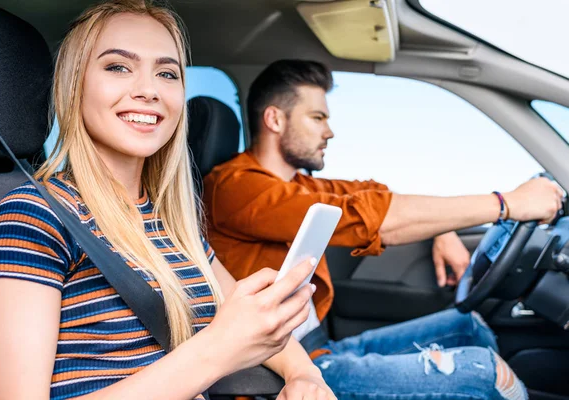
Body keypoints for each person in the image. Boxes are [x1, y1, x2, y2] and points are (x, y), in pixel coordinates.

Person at [0, 8, 336, 400]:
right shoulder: (29, 222)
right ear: (73, 85)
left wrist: (305, 375)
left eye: (167, 73)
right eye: (118, 67)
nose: (150, 90)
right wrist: (219, 350)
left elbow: (254, 320)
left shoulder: (168, 223)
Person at [203, 59, 564, 400]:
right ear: (275, 120)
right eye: (317, 117)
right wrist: (507, 203)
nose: (329, 131)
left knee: (469, 325)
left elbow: (377, 196)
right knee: (484, 373)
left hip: (316, 346)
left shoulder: (301, 186)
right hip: (279, 369)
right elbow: (370, 218)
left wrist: (441, 231)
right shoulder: (235, 188)